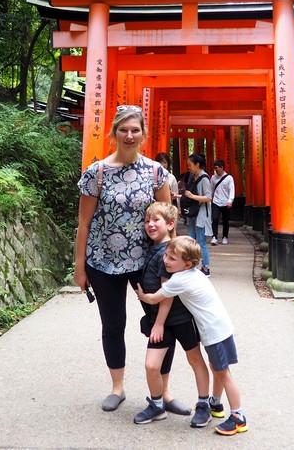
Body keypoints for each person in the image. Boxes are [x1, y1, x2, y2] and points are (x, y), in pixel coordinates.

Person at [74, 105, 171, 412]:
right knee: (113, 323)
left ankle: (163, 392)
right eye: (123, 130)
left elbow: (169, 221)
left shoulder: (156, 173)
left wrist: (173, 263)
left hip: (147, 261)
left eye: (135, 130)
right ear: (114, 133)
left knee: (161, 321)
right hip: (102, 261)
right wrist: (79, 266)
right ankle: (117, 387)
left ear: (144, 134)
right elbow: (84, 223)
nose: (129, 136)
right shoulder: (96, 172)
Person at [136, 236, 248, 436]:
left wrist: (143, 296)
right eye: (166, 256)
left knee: (223, 373)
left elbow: (155, 298)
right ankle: (216, 404)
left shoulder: (179, 279)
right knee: (217, 368)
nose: (166, 261)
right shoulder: (196, 273)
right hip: (222, 327)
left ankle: (238, 417)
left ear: (186, 264)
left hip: (214, 332)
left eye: (171, 259)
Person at [133, 202, 211, 426]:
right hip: (161, 319)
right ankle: (157, 404)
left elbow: (167, 294)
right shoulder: (154, 248)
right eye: (147, 221)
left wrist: (157, 324)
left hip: (178, 318)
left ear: (170, 224)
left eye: (155, 220)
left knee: (195, 359)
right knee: (151, 365)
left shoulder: (169, 253)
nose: (150, 225)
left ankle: (203, 403)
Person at [183, 153, 212, 276]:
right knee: (190, 240)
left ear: (197, 165)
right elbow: (189, 194)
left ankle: (206, 268)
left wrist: (192, 196)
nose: (188, 167)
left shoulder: (204, 178)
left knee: (201, 241)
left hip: (200, 214)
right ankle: (191, 266)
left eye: (190, 165)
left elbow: (208, 197)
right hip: (192, 212)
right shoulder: (192, 176)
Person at [209, 160, 235, 246]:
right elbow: (211, 189)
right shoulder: (213, 178)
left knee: (225, 221)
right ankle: (214, 237)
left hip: (225, 202)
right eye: (214, 168)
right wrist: (209, 198)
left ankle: (225, 236)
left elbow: (232, 189)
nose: (216, 170)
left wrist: (230, 200)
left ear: (222, 167)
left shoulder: (229, 178)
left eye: (217, 168)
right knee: (215, 219)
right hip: (216, 201)